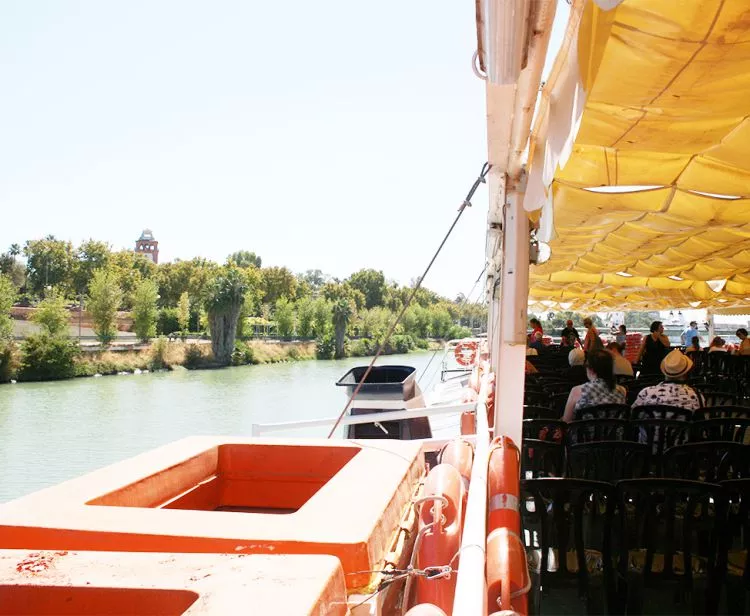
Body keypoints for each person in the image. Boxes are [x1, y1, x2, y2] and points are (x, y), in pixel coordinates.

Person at [562, 349, 626, 422]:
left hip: (584, 433)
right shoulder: (622, 391)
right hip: (615, 433)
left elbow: (566, 422)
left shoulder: (577, 391)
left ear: (591, 369)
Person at [632, 349, 701, 411]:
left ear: (664, 370)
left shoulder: (646, 393)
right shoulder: (696, 395)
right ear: (686, 373)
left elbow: (633, 415)